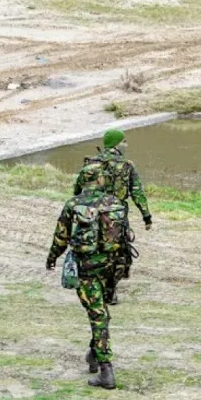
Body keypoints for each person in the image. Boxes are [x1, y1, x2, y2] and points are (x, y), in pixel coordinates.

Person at [46, 182, 126, 390]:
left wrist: (53, 257)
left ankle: (106, 369)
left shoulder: (74, 204)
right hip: (110, 267)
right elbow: (124, 238)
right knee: (100, 313)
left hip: (87, 268)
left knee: (97, 314)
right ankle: (93, 354)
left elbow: (61, 236)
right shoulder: (115, 203)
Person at [72, 128, 152, 305]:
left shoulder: (91, 163)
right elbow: (137, 193)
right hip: (116, 217)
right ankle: (110, 291)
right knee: (117, 253)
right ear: (117, 144)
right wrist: (146, 216)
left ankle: (91, 287)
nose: (126, 144)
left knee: (90, 248)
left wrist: (77, 209)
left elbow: (77, 190)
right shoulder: (127, 166)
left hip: (90, 215)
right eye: (124, 141)